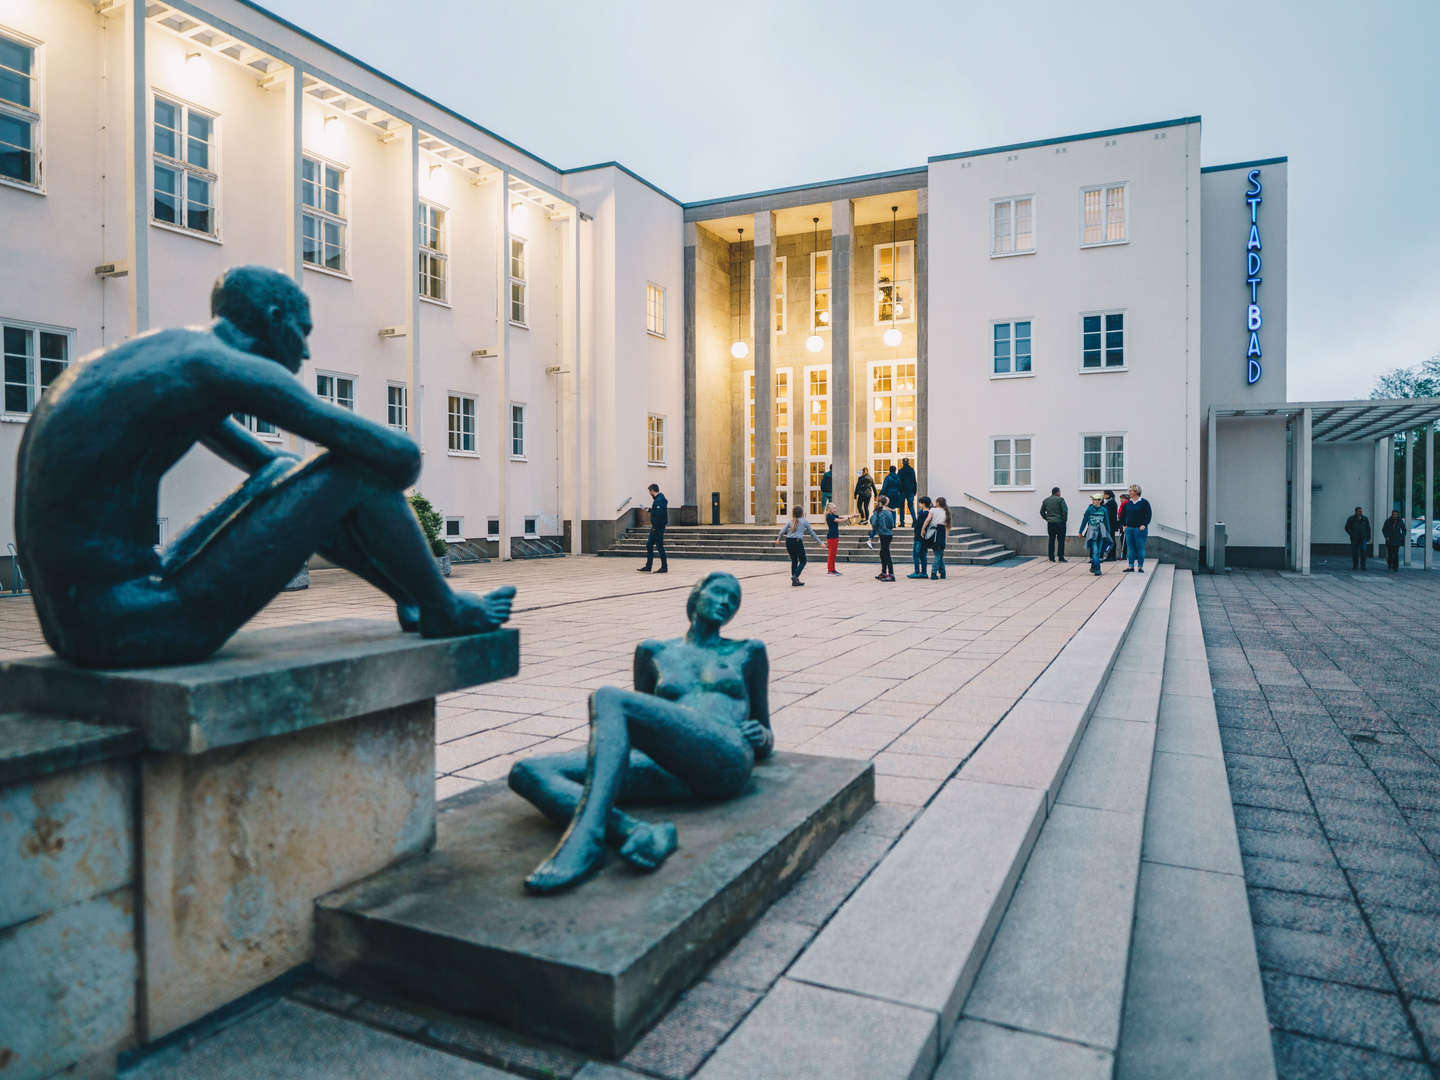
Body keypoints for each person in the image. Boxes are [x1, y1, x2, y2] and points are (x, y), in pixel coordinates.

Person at [13, 265, 514, 668]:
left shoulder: (167, 359)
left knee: (286, 471)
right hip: (135, 626)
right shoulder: (224, 366)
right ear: (276, 318)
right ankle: (442, 607)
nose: (307, 349)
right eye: (303, 331)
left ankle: (414, 600)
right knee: (358, 469)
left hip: (83, 624)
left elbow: (274, 467)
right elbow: (398, 458)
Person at [508, 572, 771, 893]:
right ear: (696, 592)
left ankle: (586, 840)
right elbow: (641, 722)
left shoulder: (747, 651)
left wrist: (763, 738)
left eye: (734, 600)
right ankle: (634, 832)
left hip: (723, 757)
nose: (726, 602)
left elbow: (765, 732)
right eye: (719, 592)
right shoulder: (653, 652)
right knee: (527, 771)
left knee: (609, 697)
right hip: (667, 767)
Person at [776, 506, 821, 586]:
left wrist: (778, 539)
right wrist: (820, 542)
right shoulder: (804, 521)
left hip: (788, 541)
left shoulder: (790, 521)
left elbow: (782, 532)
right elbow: (812, 533)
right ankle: (795, 576)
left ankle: (795, 581)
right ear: (802, 513)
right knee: (803, 560)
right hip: (797, 541)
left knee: (794, 560)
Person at [1120, 483, 1152, 573]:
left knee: (1140, 548)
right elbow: (1123, 516)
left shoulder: (1144, 502)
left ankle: (1140, 566)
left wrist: (1144, 524)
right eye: (1129, 491)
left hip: (1140, 529)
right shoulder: (1128, 504)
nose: (1129, 492)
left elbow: (1148, 515)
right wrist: (1123, 525)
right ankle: (1130, 566)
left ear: (1136, 492)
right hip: (1129, 529)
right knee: (1130, 548)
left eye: (1131, 491)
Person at [638, 483, 668, 574]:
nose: (649, 493)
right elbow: (657, 511)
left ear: (652, 491)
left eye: (649, 491)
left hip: (657, 528)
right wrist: (649, 510)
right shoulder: (658, 500)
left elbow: (659, 516)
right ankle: (648, 566)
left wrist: (655, 527)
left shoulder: (659, 500)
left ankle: (664, 567)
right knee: (649, 545)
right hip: (655, 527)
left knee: (660, 547)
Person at [1079, 493, 1111, 575]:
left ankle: (1093, 567)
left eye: (1095, 499)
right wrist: (1080, 531)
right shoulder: (1089, 509)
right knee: (1095, 551)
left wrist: (1108, 533)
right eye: (1092, 499)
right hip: (1092, 533)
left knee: (1098, 551)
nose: (1093, 501)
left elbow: (1107, 522)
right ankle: (1097, 569)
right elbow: (1084, 521)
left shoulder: (1104, 510)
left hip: (1101, 533)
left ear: (1100, 501)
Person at [907, 496, 935, 579]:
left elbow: (919, 526)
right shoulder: (927, 512)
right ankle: (923, 572)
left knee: (916, 555)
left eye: (920, 503)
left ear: (923, 504)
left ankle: (917, 572)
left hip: (919, 537)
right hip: (924, 537)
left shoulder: (924, 513)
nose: (919, 504)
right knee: (923, 555)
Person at [1040, 486, 1069, 563]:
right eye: (1060, 492)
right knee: (1061, 540)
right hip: (1060, 523)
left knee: (1051, 540)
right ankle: (1061, 557)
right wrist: (1064, 520)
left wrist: (1047, 518)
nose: (1060, 493)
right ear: (1057, 492)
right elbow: (1065, 511)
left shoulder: (1046, 500)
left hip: (1050, 523)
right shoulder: (1061, 500)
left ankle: (1051, 558)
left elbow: (1042, 512)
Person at [871, 496, 896, 581]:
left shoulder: (877, 511)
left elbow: (873, 522)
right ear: (886, 502)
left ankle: (890, 574)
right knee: (884, 553)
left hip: (882, 533)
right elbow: (892, 525)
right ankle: (884, 572)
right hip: (888, 534)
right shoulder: (888, 512)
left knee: (885, 553)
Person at [928, 496, 950, 580]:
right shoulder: (946, 512)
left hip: (935, 534)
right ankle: (943, 573)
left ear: (937, 503)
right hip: (942, 534)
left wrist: (923, 529)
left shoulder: (933, 510)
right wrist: (945, 539)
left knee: (937, 554)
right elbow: (947, 528)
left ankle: (933, 573)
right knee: (939, 554)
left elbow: (927, 520)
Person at [1345, 506, 1372, 571]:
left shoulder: (1365, 519)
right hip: (1354, 539)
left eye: (1361, 511)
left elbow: (1368, 528)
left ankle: (1363, 566)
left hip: (1363, 538)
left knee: (1363, 552)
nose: (1361, 512)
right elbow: (1347, 527)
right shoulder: (1351, 519)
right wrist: (1352, 534)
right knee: (1355, 552)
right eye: (1359, 511)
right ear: (1356, 511)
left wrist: (1369, 537)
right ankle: (1355, 566)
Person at [824, 502, 845, 576]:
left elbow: (841, 516)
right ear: (830, 509)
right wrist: (848, 518)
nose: (835, 509)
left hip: (835, 536)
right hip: (832, 537)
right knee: (831, 554)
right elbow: (839, 520)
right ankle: (830, 570)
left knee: (833, 554)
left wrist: (852, 516)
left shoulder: (833, 515)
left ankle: (833, 569)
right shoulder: (829, 516)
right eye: (834, 508)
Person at [897, 457, 918, 528]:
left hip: (902, 492)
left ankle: (902, 523)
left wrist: (899, 490)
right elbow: (914, 481)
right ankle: (914, 521)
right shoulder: (912, 470)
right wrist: (915, 491)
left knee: (902, 507)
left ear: (902, 463)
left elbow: (898, 482)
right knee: (911, 506)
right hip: (910, 491)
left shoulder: (900, 471)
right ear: (908, 462)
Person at [1102, 490, 1120, 562]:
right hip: (1108, 524)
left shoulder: (1111, 502)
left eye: (1104, 494)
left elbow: (1110, 514)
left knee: (1111, 540)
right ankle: (1110, 555)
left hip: (1111, 524)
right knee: (1109, 540)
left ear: (1108, 495)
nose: (1103, 495)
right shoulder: (1107, 502)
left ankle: (1112, 556)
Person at [1116, 490, 1132, 560]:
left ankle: (1124, 555)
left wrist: (1124, 524)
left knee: (1125, 540)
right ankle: (1124, 554)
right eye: (1120, 498)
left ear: (1126, 499)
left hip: (1126, 525)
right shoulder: (1122, 505)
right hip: (1122, 524)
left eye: (1122, 498)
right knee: (1123, 540)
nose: (1121, 500)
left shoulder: (1127, 505)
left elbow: (1127, 516)